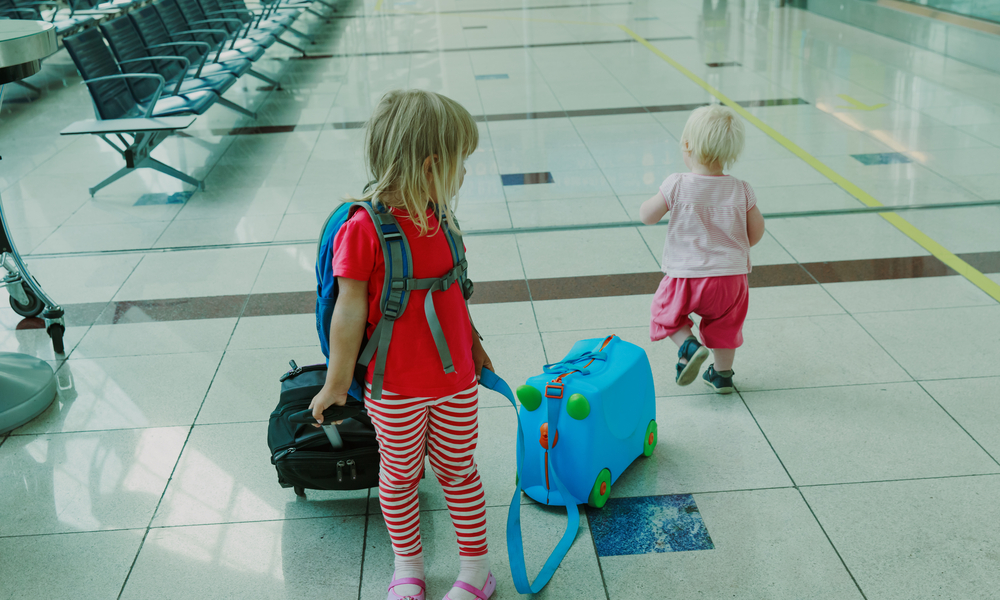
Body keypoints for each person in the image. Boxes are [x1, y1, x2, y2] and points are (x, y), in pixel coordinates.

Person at [309, 89, 496, 600]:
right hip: (392, 388)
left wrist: (475, 344)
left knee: (458, 470)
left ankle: (476, 569)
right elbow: (347, 315)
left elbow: (455, 292)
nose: (462, 176)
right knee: (398, 478)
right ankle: (408, 568)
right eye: (461, 165)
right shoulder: (362, 230)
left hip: (456, 380)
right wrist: (335, 384)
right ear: (432, 165)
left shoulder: (443, 221)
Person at [639, 104, 765, 394]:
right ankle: (722, 376)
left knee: (664, 312)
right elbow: (755, 234)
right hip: (731, 280)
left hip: (687, 275)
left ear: (686, 145)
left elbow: (648, 216)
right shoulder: (741, 189)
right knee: (725, 326)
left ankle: (688, 344)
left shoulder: (676, 184)